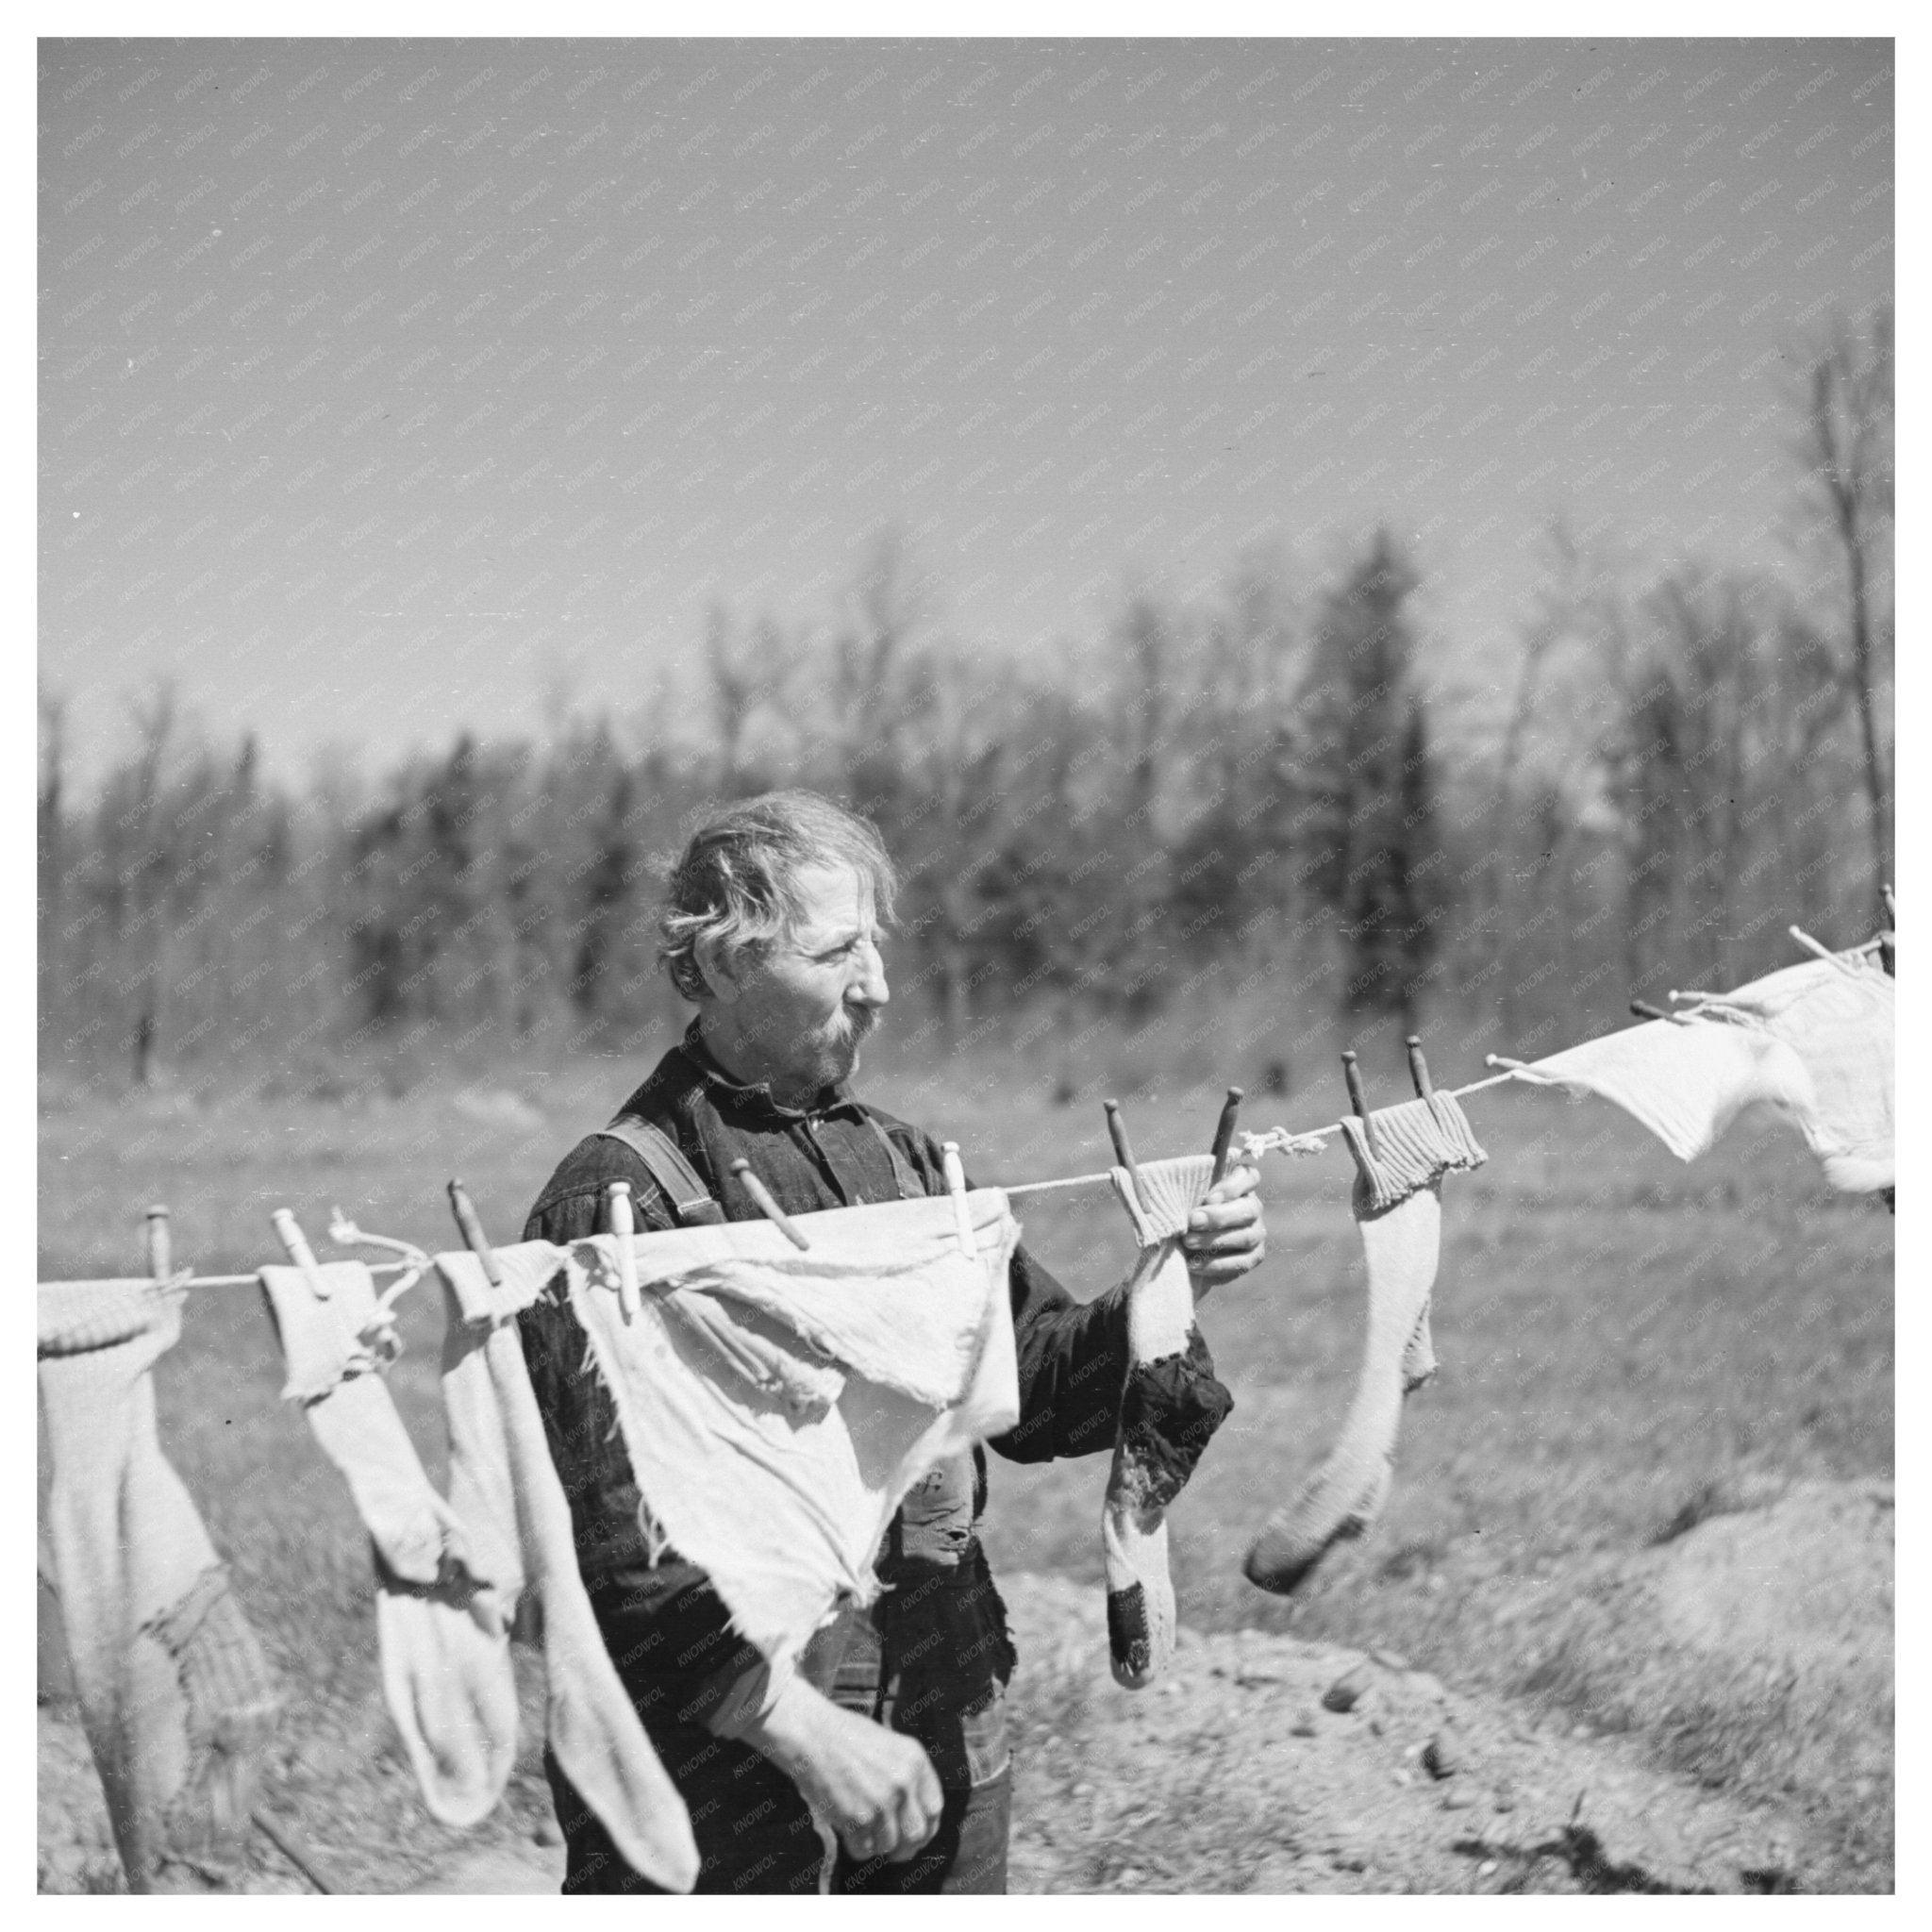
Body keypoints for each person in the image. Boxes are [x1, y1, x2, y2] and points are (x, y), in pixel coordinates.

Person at [517, 789, 1269, 1894]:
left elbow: (1039, 1392)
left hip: (942, 1708)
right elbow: (609, 1548)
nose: (877, 985)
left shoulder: (913, 1168)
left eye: (875, 941)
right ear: (720, 962)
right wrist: (798, 1727)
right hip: (724, 1773)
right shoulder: (619, 1200)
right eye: (835, 953)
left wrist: (1168, 1284)